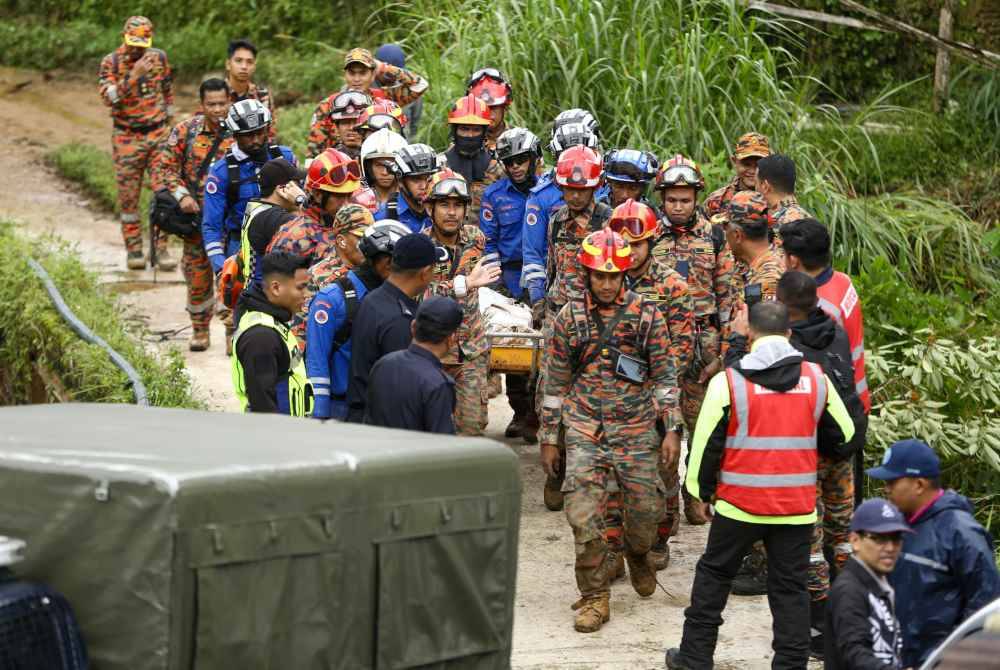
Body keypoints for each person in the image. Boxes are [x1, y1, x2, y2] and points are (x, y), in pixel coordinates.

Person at [665, 301, 855, 670]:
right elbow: (845, 435)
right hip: (796, 509)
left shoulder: (728, 383)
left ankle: (694, 657)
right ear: (789, 335)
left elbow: (704, 447)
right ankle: (790, 664)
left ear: (749, 334)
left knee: (714, 577)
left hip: (739, 506)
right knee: (790, 589)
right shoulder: (817, 379)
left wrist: (700, 494)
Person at [540, 227, 681, 633]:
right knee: (583, 516)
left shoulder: (646, 315)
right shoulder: (569, 318)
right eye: (598, 276)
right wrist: (550, 438)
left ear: (624, 274)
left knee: (645, 515)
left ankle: (637, 555)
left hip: (636, 429)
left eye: (612, 276)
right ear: (586, 274)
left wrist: (671, 429)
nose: (605, 283)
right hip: (585, 429)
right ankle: (594, 597)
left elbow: (665, 376)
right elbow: (555, 384)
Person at [726, 271, 869, 654]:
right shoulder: (834, 330)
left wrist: (741, 337)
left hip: (810, 455)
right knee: (844, 535)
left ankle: (820, 626)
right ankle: (851, 615)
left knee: (811, 542)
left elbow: (742, 379)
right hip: (844, 444)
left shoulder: (793, 350)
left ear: (787, 311)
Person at [651, 154, 739, 526]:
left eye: (685, 200)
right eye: (672, 200)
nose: (678, 206)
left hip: (703, 344)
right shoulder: (648, 235)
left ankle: (694, 493)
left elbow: (727, 297)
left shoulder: (715, 236)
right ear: (662, 200)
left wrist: (722, 351)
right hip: (660, 340)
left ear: (696, 199)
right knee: (662, 428)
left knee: (700, 425)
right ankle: (666, 504)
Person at [609, 199, 695, 573]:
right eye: (623, 243)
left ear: (652, 241)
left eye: (637, 244)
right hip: (612, 396)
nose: (629, 251)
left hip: (657, 394)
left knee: (662, 471)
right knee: (610, 477)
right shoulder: (604, 280)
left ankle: (659, 536)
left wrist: (649, 380)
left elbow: (682, 347)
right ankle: (613, 546)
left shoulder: (673, 287)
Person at [867, 439, 1000, 668]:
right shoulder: (894, 527)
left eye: (892, 482)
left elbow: (985, 612)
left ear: (919, 484)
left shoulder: (962, 534)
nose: (886, 489)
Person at [149, 77, 233, 351]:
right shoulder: (186, 131)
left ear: (230, 101)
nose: (218, 109)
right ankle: (200, 330)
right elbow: (164, 168)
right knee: (197, 275)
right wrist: (181, 194)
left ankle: (233, 331)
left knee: (233, 275)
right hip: (196, 221)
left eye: (222, 103)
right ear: (202, 105)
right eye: (212, 104)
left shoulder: (240, 132)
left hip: (231, 222)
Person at [423, 170, 501, 436]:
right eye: (444, 204)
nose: (452, 212)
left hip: (470, 352)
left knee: (471, 428)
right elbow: (419, 296)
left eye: (458, 205)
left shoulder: (475, 239)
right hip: (432, 353)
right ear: (429, 207)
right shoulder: (419, 247)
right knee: (429, 431)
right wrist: (463, 285)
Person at [306, 220, 410, 420]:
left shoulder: (400, 296)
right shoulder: (332, 299)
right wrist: (319, 414)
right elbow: (316, 359)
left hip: (384, 408)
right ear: (386, 263)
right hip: (341, 408)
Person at [480, 127, 544, 441]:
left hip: (545, 276)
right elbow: (489, 243)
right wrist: (497, 288)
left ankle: (540, 413)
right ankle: (520, 412)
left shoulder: (548, 192)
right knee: (514, 348)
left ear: (535, 159)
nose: (516, 166)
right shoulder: (494, 195)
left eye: (521, 159)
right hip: (508, 278)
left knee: (545, 349)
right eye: (509, 161)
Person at [98, 15, 175, 270]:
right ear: (124, 37)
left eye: (142, 43)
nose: (137, 48)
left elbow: (167, 89)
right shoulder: (112, 62)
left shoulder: (159, 58)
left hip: (157, 134)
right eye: (133, 42)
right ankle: (134, 251)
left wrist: (169, 122)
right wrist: (134, 74)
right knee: (129, 198)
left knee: (163, 192)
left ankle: (161, 249)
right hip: (127, 137)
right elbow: (109, 98)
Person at [346, 233, 444, 423]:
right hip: (385, 427)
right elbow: (401, 388)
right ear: (425, 272)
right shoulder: (400, 319)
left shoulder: (374, 299)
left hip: (364, 415)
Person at [781, 219, 870, 416]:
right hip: (855, 393)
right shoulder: (843, 281)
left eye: (783, 255)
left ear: (794, 260)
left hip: (838, 405)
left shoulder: (818, 307)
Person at [202, 99, 296, 275]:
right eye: (248, 135)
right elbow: (211, 227)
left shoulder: (285, 157)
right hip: (241, 246)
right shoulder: (221, 173)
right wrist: (221, 268)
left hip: (286, 239)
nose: (256, 140)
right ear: (235, 135)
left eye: (260, 132)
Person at [520, 111, 602, 306]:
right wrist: (538, 299)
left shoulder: (608, 210)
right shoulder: (544, 202)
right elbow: (537, 255)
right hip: (558, 304)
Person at [824, 498, 911, 670]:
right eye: (879, 539)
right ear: (855, 540)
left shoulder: (885, 581)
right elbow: (854, 652)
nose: (890, 547)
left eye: (896, 539)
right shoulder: (849, 590)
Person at [365, 296, 464, 434]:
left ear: (413, 327)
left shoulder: (383, 364)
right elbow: (442, 446)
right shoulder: (439, 384)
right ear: (452, 339)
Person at [231, 251, 311, 416]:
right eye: (300, 288)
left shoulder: (272, 321)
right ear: (276, 288)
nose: (306, 294)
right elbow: (263, 409)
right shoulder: (261, 337)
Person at [308, 48, 428, 156]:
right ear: (345, 75)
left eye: (363, 73)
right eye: (352, 73)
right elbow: (314, 150)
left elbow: (420, 85)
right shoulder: (328, 105)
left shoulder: (383, 99)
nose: (356, 79)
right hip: (339, 171)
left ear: (372, 74)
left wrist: (383, 67)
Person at [290, 205, 375, 346]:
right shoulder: (316, 276)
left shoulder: (376, 271)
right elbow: (301, 332)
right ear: (341, 240)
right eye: (361, 238)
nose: (369, 244)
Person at [268, 148, 361, 267]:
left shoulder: (356, 224)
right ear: (317, 195)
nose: (347, 203)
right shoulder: (293, 238)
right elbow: (280, 283)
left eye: (350, 195)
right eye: (339, 196)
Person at [238, 158, 307, 294]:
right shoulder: (273, 218)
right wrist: (302, 201)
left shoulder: (258, 208)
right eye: (297, 184)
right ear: (282, 189)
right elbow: (316, 233)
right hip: (264, 302)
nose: (301, 188)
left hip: (256, 294)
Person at [442, 94, 505, 223]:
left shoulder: (496, 169)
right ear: (455, 130)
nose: (470, 135)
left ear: (484, 132)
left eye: (476, 130)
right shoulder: (440, 167)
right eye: (464, 129)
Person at [719, 190, 784, 304]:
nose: (724, 234)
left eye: (725, 229)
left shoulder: (770, 276)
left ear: (737, 235)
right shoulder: (748, 264)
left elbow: (760, 319)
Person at [703, 132, 771, 218]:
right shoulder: (717, 200)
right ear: (734, 161)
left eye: (759, 165)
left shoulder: (774, 198)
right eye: (746, 164)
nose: (753, 171)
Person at [374, 143, 437, 232]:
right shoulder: (383, 217)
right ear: (400, 181)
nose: (424, 186)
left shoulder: (442, 211)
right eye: (416, 179)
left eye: (429, 178)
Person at [224, 39, 276, 141]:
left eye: (249, 62)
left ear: (254, 66)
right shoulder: (215, 95)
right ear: (228, 64)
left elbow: (270, 133)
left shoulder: (262, 96)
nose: (244, 66)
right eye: (238, 61)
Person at [756, 153, 811, 245]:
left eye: (756, 182)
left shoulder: (776, 228)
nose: (755, 188)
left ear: (765, 186)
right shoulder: (810, 221)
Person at [375, 43, 422, 138]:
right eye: (387, 74)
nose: (391, 78)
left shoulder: (409, 88)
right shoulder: (365, 84)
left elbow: (414, 123)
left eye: (394, 73)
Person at [360, 127, 408, 208]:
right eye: (379, 165)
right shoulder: (358, 202)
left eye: (392, 165)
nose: (385, 172)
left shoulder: (414, 202)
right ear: (368, 167)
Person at [466, 68, 513, 150]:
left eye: (493, 108)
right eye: (483, 108)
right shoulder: (465, 141)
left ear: (504, 108)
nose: (488, 114)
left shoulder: (519, 139)